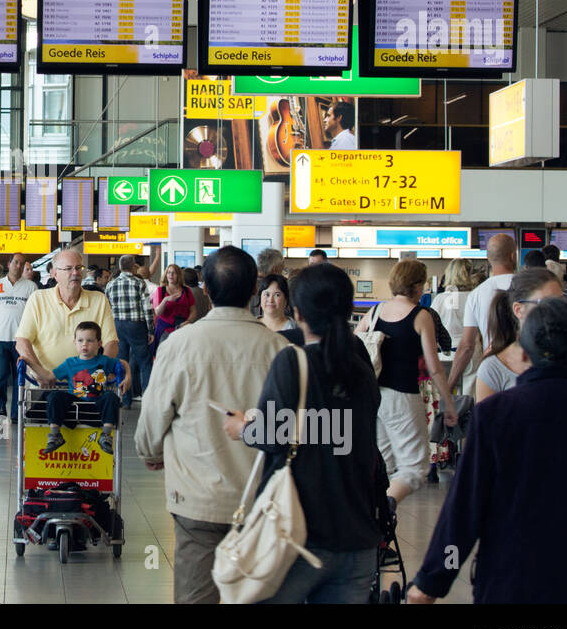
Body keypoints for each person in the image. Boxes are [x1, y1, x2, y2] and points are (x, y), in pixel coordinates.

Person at [409, 298, 567, 604]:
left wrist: (431, 582)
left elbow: (465, 509)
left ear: (523, 352)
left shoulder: (496, 414)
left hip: (512, 579)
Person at [136, 246, 289, 604]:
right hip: (263, 503)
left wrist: (151, 452)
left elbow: (154, 413)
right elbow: (297, 428)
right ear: (256, 289)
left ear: (205, 289)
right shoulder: (281, 349)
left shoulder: (180, 344)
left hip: (197, 503)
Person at [224, 263, 382, 604]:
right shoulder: (362, 369)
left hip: (297, 537)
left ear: (297, 311)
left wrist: (241, 428)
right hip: (358, 538)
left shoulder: (293, 362)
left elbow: (272, 435)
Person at [355, 259, 457, 507]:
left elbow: (355, 345)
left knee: (384, 462)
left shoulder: (375, 312)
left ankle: (370, 511)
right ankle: (384, 507)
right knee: (415, 467)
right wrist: (449, 404)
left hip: (374, 397)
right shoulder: (420, 316)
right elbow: (434, 367)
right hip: (403, 398)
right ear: (418, 285)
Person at [474, 267, 567, 400]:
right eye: (545, 303)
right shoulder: (493, 368)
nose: (556, 310)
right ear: (518, 310)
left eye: (560, 301)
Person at [14, 249, 118, 390]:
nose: (75, 273)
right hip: (43, 385)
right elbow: (22, 342)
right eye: (68, 269)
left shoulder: (99, 300)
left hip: (85, 386)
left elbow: (111, 343)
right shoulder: (38, 299)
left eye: (78, 268)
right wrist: (42, 373)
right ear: (55, 274)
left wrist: (98, 374)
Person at [447, 233, 517, 395]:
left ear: (488, 258)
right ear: (513, 256)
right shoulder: (529, 288)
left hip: (491, 370)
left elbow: (466, 346)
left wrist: (449, 386)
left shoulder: (477, 294)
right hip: (524, 371)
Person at [43, 322, 128, 455]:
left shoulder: (104, 361)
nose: (84, 344)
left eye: (90, 340)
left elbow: (123, 363)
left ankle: (105, 436)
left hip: (96, 406)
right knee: (54, 395)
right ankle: (55, 435)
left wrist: (128, 377)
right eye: (80, 340)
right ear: (74, 342)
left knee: (111, 397)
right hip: (74, 405)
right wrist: (28, 361)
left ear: (99, 343)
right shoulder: (70, 363)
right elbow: (48, 376)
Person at [0, 253, 36, 424]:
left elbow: (35, 315)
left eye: (22, 264)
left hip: (22, 340)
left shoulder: (31, 287)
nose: (18, 266)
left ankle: (16, 413)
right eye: (16, 262)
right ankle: (0, 405)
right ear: (9, 264)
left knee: (19, 377)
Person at [104, 253, 155, 410]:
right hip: (136, 325)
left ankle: (125, 400)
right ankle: (147, 398)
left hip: (117, 325)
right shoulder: (138, 283)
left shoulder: (110, 285)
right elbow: (147, 308)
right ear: (133, 266)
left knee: (121, 361)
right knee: (145, 362)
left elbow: (108, 308)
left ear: (119, 267)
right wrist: (150, 330)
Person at [430, 258, 475, 353]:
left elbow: (432, 326)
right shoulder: (474, 297)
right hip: (469, 351)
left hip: (445, 351)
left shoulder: (440, 298)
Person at [151, 264, 196, 348]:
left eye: (174, 273)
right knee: (165, 356)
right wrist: (165, 300)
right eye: (169, 272)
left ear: (178, 275)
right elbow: (158, 312)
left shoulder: (186, 290)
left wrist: (188, 321)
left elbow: (193, 311)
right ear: (166, 275)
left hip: (182, 329)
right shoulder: (160, 290)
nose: (171, 275)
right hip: (165, 330)